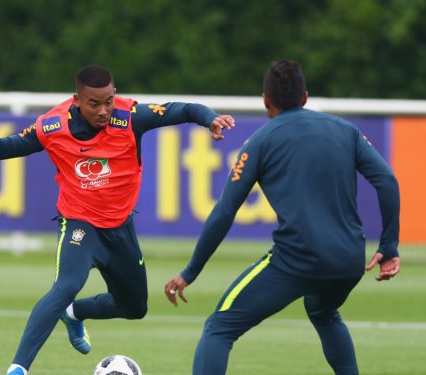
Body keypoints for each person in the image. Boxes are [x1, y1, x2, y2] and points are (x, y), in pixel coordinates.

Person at [0, 64, 236, 375]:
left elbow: (181, 109)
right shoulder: (52, 126)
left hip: (120, 227)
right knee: (66, 284)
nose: (104, 110)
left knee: (135, 308)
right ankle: (18, 368)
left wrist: (209, 118)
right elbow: (5, 147)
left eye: (109, 100)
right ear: (77, 100)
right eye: (95, 103)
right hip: (79, 224)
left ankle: (74, 312)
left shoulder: (131, 117)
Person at [163, 60, 400, 375]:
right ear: (305, 97)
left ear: (265, 100)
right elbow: (387, 181)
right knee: (324, 312)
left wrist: (190, 272)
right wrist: (390, 245)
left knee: (219, 328)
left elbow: (224, 212)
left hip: (297, 260)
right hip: (348, 259)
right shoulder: (346, 131)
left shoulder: (259, 142)